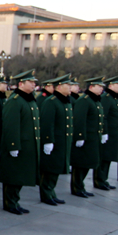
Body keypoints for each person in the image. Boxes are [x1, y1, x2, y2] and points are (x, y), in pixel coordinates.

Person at [0, 69, 41, 214]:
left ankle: (15, 201)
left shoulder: (28, 99)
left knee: (21, 175)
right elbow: (11, 125)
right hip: (18, 144)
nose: (34, 84)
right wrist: (13, 145)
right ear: (21, 84)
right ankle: (9, 203)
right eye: (31, 82)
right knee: (14, 175)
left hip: (27, 145)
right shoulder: (15, 101)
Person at [38, 75, 74, 206]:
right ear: (59, 87)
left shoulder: (64, 101)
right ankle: (46, 194)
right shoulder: (51, 102)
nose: (70, 87)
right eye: (67, 85)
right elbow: (48, 123)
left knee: (56, 168)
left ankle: (51, 192)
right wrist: (48, 140)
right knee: (50, 168)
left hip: (62, 142)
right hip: (54, 142)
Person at [70, 77, 105, 197]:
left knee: (88, 163)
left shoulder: (95, 100)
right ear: (91, 87)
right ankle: (76, 187)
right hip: (85, 138)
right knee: (80, 164)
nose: (101, 89)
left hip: (93, 138)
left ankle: (81, 186)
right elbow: (80, 119)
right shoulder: (84, 100)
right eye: (99, 86)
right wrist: (80, 136)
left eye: (102, 87)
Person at [94, 76, 118, 191]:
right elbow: (103, 117)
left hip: (114, 134)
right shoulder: (106, 98)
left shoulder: (114, 98)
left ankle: (103, 179)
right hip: (108, 134)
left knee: (109, 157)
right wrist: (104, 132)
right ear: (110, 86)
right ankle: (99, 180)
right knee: (104, 157)